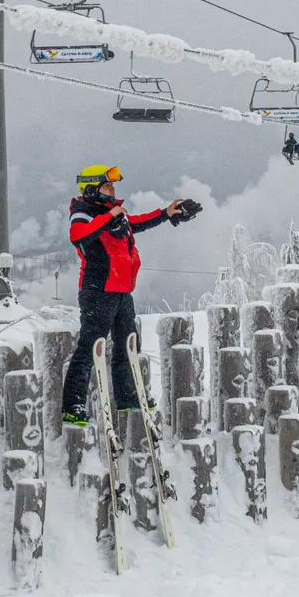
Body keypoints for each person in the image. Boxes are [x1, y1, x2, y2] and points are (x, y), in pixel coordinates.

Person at [58, 165, 199, 425]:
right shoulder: (83, 213)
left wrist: (166, 214)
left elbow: (136, 223)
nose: (112, 191)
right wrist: (107, 216)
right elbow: (77, 236)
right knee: (90, 347)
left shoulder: (115, 215)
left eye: (113, 187)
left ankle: (126, 397)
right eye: (107, 186)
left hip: (122, 291)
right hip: (98, 290)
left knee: (127, 345)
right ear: (91, 189)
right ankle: (72, 405)